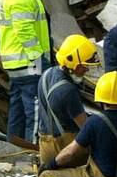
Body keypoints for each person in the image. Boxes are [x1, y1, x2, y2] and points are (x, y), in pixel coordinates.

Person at [0, 0, 51, 144]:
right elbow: (24, 30)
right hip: (28, 62)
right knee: (35, 111)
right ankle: (30, 154)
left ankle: (13, 149)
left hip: (17, 63)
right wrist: (39, 58)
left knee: (18, 109)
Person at [37, 34, 98, 165]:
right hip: (63, 146)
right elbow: (85, 128)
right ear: (72, 62)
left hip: (45, 143)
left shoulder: (48, 73)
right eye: (84, 65)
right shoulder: (68, 90)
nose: (87, 69)